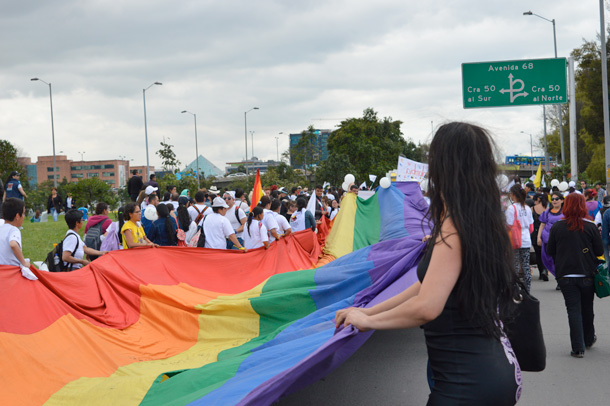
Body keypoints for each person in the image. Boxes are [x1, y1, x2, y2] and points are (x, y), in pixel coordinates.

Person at [335, 122, 521, 405]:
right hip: (493, 370)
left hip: (466, 382)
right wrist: (367, 312)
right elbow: (424, 287)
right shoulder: (482, 221)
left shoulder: (454, 227)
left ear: (446, 167)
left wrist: (368, 322)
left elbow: (427, 306)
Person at [546, 193, 603, 358]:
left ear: (566, 206)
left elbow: (550, 251)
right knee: (587, 308)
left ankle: (578, 348)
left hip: (565, 275)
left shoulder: (558, 226)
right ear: (583, 206)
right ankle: (588, 338)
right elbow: (599, 251)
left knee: (573, 310)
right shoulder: (590, 226)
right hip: (587, 274)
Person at [506, 184, 534, 291]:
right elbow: (531, 227)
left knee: (515, 266)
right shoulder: (527, 208)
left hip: (514, 241)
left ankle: (515, 289)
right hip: (526, 240)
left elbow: (509, 225)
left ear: (513, 195)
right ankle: (527, 289)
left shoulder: (511, 208)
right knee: (526, 265)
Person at [537, 191, 565, 287]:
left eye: (556, 199)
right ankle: (558, 278)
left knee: (560, 261)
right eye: (552, 199)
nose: (554, 201)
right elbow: (542, 225)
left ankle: (561, 280)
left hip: (561, 241)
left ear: (562, 200)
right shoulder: (547, 212)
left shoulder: (566, 212)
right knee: (551, 259)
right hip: (548, 240)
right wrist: (538, 237)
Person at [0, 198, 29, 268]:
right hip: (11, 270)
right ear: (17, 216)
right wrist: (24, 262)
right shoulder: (13, 230)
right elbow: (13, 244)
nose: (24, 217)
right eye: (23, 214)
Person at [531, 193, 549, 281]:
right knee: (546, 253)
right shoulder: (548, 209)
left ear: (538, 199)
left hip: (535, 233)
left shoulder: (533, 209)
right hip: (547, 233)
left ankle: (541, 272)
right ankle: (545, 270)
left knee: (538, 254)